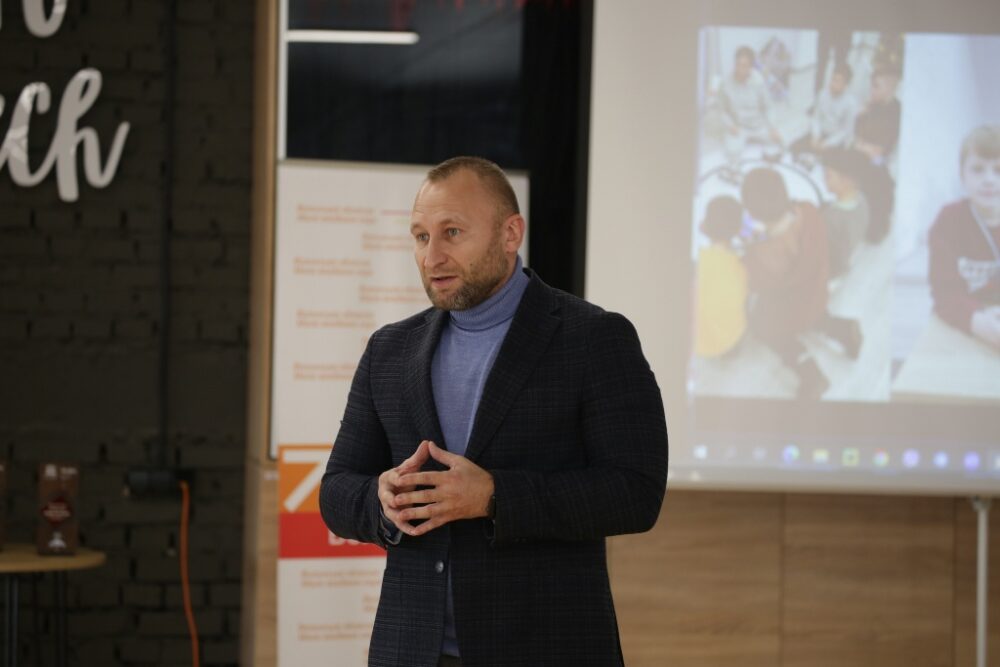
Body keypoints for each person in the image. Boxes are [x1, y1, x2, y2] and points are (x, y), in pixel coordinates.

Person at [319, 156, 669, 666]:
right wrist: (381, 499)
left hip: (545, 649)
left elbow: (636, 493)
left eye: (452, 232)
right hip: (411, 651)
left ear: (510, 234)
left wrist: (494, 497)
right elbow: (336, 490)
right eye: (420, 237)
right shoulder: (389, 350)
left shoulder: (593, 338)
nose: (432, 256)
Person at [741, 168, 863, 398]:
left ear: (753, 213)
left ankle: (809, 373)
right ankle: (842, 330)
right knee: (811, 310)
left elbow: (758, 284)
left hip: (793, 307)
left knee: (763, 327)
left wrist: (750, 247)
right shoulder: (808, 210)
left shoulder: (765, 252)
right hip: (817, 290)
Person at [928, 125, 1000, 350]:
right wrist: (977, 322)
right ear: (962, 175)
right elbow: (944, 292)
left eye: (998, 170)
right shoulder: (948, 221)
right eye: (977, 169)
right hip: (965, 320)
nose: (989, 180)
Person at [695, 195, 748, 357]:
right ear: (738, 229)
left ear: (705, 225)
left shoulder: (699, 262)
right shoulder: (741, 267)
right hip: (731, 339)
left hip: (700, 342)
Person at [718, 46, 783, 177]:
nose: (740, 69)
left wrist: (773, 127)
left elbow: (768, 107)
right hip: (739, 127)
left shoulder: (759, 80)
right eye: (738, 64)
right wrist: (730, 125)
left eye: (744, 66)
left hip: (759, 125)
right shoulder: (725, 83)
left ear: (751, 67)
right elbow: (722, 111)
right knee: (731, 152)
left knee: (781, 142)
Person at [821, 147, 871, 279]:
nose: (823, 180)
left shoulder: (831, 218)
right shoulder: (861, 198)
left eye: (828, 176)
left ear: (846, 181)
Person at [792, 62, 858, 157]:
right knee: (795, 147)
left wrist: (827, 144)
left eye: (838, 81)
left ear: (845, 85)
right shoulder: (823, 94)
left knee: (825, 161)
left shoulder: (851, 104)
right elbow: (816, 118)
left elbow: (845, 132)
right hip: (820, 134)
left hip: (835, 141)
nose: (833, 84)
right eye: (833, 79)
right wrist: (815, 136)